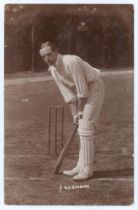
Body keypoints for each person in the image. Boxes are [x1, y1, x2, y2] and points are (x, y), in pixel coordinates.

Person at [39, 41, 105, 181]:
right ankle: (80, 166)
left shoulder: (71, 62)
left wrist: (80, 112)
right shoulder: (53, 70)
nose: (47, 59)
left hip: (94, 87)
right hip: (85, 91)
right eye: (43, 57)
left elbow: (83, 92)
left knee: (86, 126)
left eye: (49, 54)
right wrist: (75, 114)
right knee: (82, 126)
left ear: (56, 51)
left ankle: (87, 170)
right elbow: (68, 94)